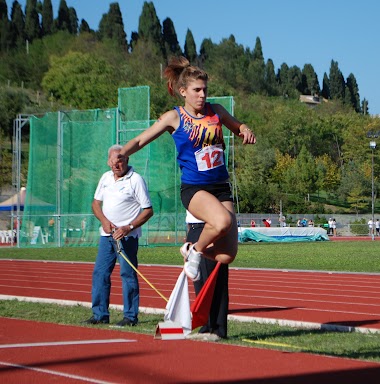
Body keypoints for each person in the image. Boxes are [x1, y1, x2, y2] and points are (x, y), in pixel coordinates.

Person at [118, 56, 256, 281]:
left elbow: (237, 126)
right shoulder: (174, 117)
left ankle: (194, 251)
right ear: (183, 91)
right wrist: (122, 152)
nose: (202, 95)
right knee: (222, 222)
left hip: (220, 186)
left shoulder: (217, 111)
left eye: (205, 90)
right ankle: (195, 250)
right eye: (197, 90)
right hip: (195, 188)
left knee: (227, 254)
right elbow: (141, 140)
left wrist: (245, 129)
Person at [83, 144, 153, 326]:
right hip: (106, 237)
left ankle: (130, 316)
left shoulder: (136, 180)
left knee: (127, 274)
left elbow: (148, 210)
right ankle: (100, 315)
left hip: (127, 238)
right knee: (100, 273)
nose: (116, 165)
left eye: (120, 160)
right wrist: (104, 222)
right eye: (113, 161)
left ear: (127, 160)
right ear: (108, 162)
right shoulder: (105, 178)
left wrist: (128, 227)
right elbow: (95, 204)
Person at [186, 211, 228, 340]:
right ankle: (206, 325)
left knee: (213, 281)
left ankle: (216, 328)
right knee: (200, 281)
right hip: (194, 228)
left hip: (208, 227)